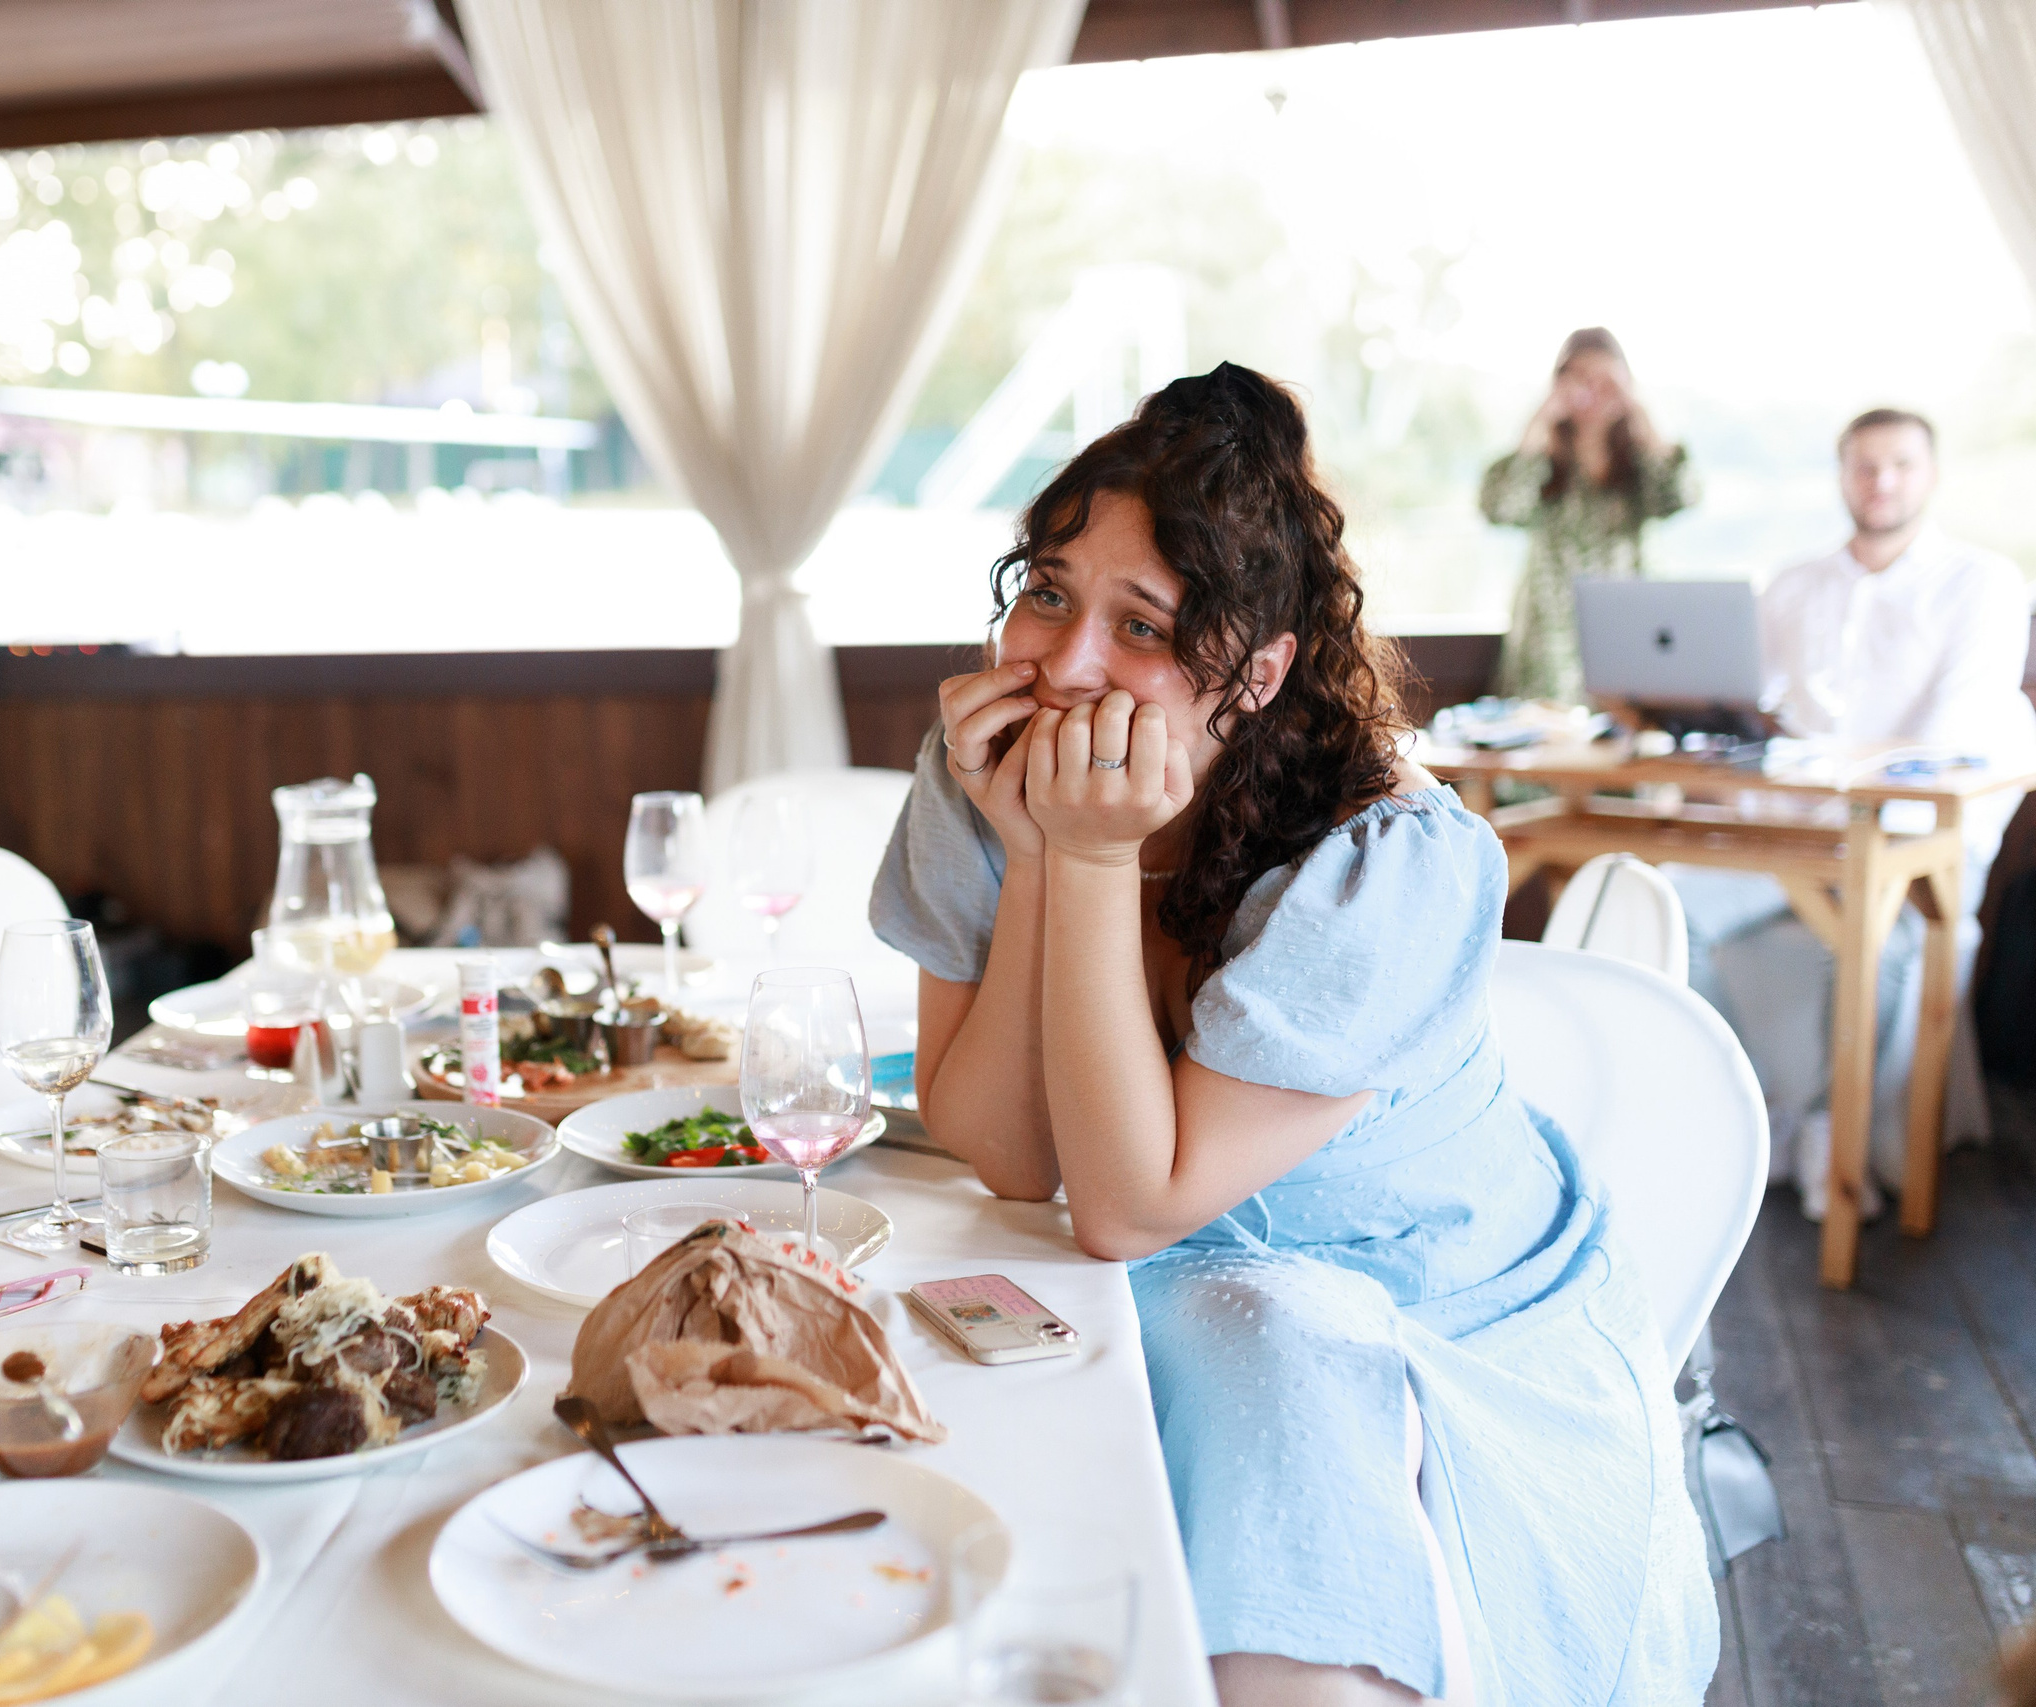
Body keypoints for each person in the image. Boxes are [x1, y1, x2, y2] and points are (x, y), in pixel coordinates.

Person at [871, 364, 1713, 1704]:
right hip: (1172, 1277)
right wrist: (1032, 852)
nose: (1065, 662)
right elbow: (1012, 1157)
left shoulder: (1388, 862)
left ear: (1257, 673)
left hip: (1428, 1308)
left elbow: (1126, 1203)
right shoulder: (993, 774)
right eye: (1047, 592)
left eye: (1141, 624)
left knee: (1263, 1366)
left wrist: (1086, 858)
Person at [1671, 409, 2036, 1219]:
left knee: (1883, 941)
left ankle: (1827, 1130)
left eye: (1900, 464)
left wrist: (1824, 770)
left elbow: (1950, 733)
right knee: (1666, 907)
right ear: (1841, 475)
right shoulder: (1793, 583)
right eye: (1864, 465)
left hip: (1906, 840)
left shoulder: (1982, 582)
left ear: (1930, 475)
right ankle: (1743, 1105)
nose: (1881, 481)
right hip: (1785, 837)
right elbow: (1745, 698)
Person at [1481, 328, 1696, 704]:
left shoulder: (1638, 465)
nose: (1594, 392)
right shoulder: (1543, 463)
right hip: (1547, 645)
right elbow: (1498, 507)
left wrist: (1638, 411)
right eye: (1580, 379)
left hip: (1627, 631)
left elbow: (1681, 496)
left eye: (1606, 381)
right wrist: (1543, 418)